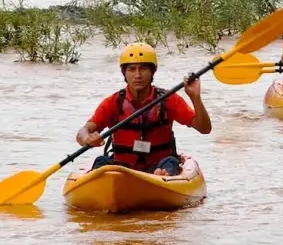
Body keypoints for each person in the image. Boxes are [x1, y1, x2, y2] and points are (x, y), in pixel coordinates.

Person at [75, 42, 211, 176]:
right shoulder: (113, 102)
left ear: (153, 71)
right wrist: (88, 139)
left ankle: (162, 175)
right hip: (121, 168)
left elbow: (204, 128)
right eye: (131, 69)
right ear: (124, 72)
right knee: (101, 161)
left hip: (158, 165)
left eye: (143, 69)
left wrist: (195, 97)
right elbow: (83, 132)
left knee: (170, 162)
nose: (138, 75)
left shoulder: (169, 99)